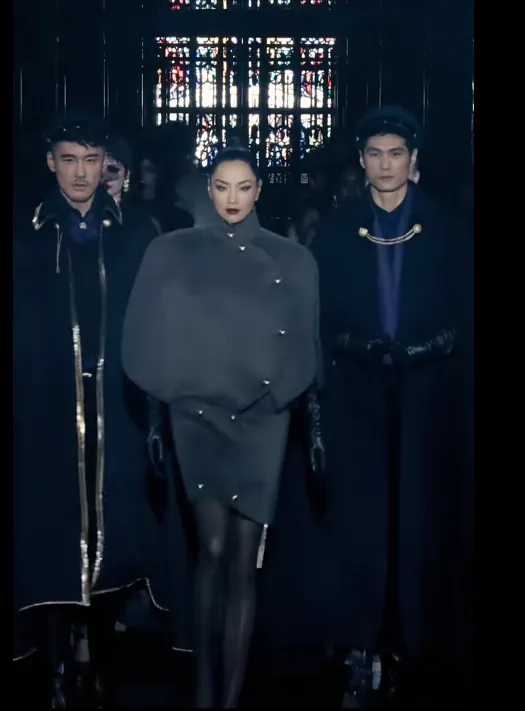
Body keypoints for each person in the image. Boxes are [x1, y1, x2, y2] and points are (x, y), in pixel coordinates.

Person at [121, 141, 324, 708]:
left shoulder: (291, 259)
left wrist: (281, 399)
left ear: (258, 191)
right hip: (198, 417)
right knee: (210, 551)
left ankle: (228, 699)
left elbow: (304, 342)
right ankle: (203, 692)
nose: (232, 198)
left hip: (262, 422)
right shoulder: (172, 252)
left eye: (243, 187)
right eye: (222, 186)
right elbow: (148, 334)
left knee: (243, 563)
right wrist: (172, 400)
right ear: (208, 190)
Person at [310, 105, 473, 702]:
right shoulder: (336, 231)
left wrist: (431, 347)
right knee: (360, 522)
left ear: (414, 160)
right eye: (375, 153)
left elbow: (463, 313)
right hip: (357, 398)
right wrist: (352, 346)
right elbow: (317, 317)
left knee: (420, 522)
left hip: (429, 399)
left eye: (396, 153)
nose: (386, 165)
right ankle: (359, 643)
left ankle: (416, 643)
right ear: (362, 160)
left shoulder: (446, 228)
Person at [13, 113, 168, 707]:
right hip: (46, 414)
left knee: (113, 533)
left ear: (107, 165)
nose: (81, 173)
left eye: (91, 159)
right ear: (50, 163)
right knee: (52, 533)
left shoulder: (135, 234)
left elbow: (154, 322)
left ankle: (100, 663)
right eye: (69, 159)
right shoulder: (27, 236)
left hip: (117, 412)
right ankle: (57, 670)